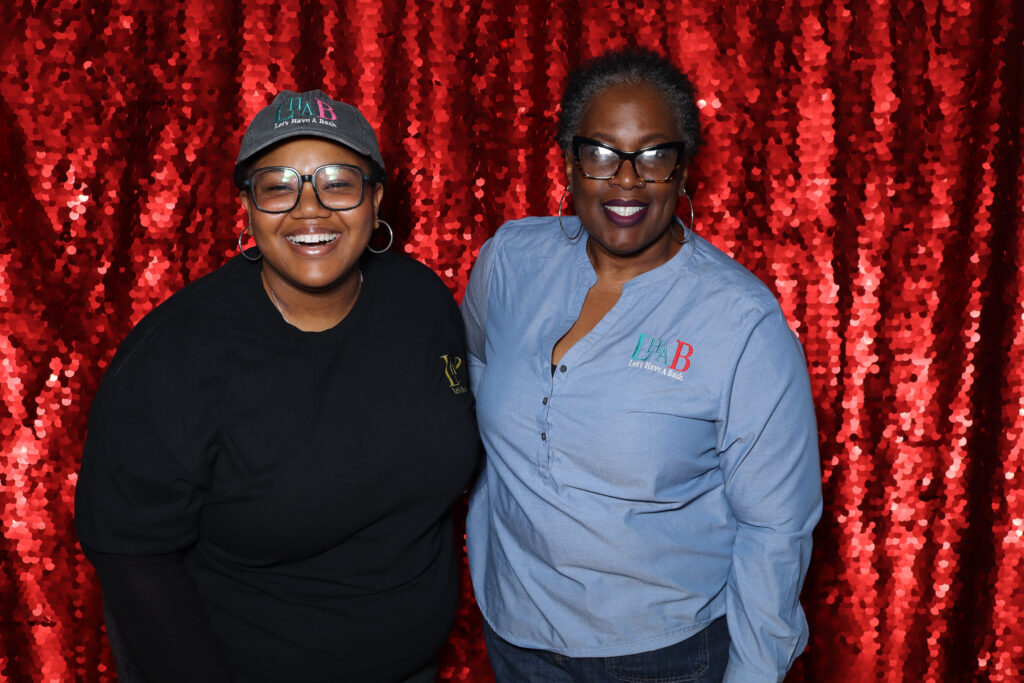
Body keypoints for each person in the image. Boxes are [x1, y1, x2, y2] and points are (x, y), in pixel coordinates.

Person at [75, 89, 479, 682]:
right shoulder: (174, 357)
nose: (309, 210)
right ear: (247, 207)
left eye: (338, 183)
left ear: (375, 200)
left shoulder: (421, 302)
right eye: (278, 186)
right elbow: (132, 555)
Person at [462, 49, 822, 682]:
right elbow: (477, 373)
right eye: (601, 153)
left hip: (662, 656)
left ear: (683, 169)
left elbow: (777, 528)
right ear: (569, 161)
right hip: (516, 637)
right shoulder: (510, 262)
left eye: (654, 155)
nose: (626, 180)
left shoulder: (741, 323)